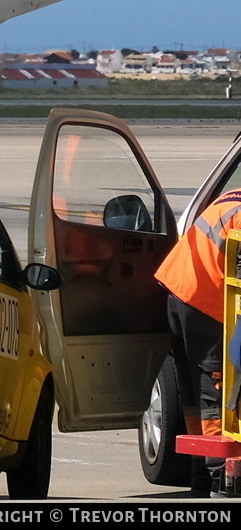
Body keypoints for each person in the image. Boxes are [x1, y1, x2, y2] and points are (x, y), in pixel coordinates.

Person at [155, 189, 241, 495]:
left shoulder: (233, 196)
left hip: (179, 290)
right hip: (204, 300)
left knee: (191, 389)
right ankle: (220, 478)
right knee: (214, 390)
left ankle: (200, 476)